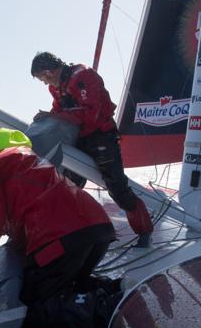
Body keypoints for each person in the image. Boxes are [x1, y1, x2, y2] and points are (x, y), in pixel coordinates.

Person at [0, 128, 121, 328]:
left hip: (62, 237)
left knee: (25, 308)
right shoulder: (24, 157)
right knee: (67, 283)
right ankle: (117, 289)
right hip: (97, 228)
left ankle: (104, 310)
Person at [29, 51, 154, 240]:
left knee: (117, 187)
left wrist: (54, 116)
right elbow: (59, 110)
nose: (45, 84)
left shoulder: (83, 76)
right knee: (67, 187)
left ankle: (145, 232)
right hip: (79, 139)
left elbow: (90, 114)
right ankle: (74, 235)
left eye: (43, 79)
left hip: (101, 136)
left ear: (48, 72)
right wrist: (49, 117)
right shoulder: (56, 88)